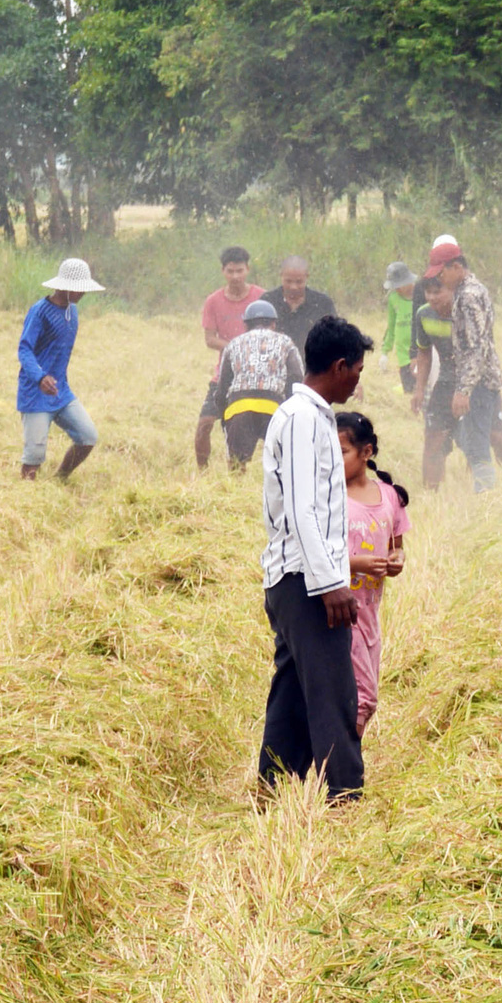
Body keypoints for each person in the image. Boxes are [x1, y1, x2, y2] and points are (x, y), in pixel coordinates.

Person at [260, 315, 373, 803]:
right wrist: (331, 585)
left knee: (291, 695)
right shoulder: (304, 418)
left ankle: (273, 787)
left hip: (290, 578)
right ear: (340, 364)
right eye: (358, 369)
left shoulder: (304, 414)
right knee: (333, 695)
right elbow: (304, 509)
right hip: (306, 581)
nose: (358, 380)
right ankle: (345, 797)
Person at [337, 411, 411, 737]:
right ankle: (345, 769)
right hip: (338, 609)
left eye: (341, 452)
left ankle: (342, 761)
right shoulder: (330, 498)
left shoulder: (389, 497)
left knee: (362, 697)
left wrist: (395, 560)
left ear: (366, 452)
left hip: (370, 615)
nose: (333, 460)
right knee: (364, 698)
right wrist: (359, 564)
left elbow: (397, 545)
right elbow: (318, 555)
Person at [18, 257, 104, 481]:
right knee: (34, 455)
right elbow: (25, 350)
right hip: (36, 393)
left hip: (61, 391)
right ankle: (26, 494)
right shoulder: (40, 312)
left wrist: (56, 381)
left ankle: (60, 479)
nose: (82, 294)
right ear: (63, 287)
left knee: (87, 436)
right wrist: (40, 377)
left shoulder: (72, 312)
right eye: (78, 289)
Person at [429, 240, 502, 492]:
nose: (440, 278)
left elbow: (476, 348)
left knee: (475, 446)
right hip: (481, 381)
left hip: (478, 383)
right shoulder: (472, 289)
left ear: (457, 266)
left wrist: (464, 389)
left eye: (442, 272)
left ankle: (487, 501)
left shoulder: (468, 297)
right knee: (469, 437)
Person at [195, 246, 265, 469]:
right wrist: (237, 347)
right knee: (205, 423)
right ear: (223, 271)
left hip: (256, 377)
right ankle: (202, 473)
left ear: (248, 270)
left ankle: (237, 476)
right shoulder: (213, 301)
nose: (235, 276)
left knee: (238, 429)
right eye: (231, 271)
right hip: (224, 375)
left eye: (240, 271)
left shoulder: (262, 298)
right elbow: (209, 339)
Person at [215, 298, 305, 466]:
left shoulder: (233, 344)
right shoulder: (285, 342)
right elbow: (297, 376)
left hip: (239, 407)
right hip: (273, 409)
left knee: (236, 465)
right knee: (283, 463)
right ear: (273, 324)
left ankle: (235, 491)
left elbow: (222, 386)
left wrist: (224, 414)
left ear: (246, 325)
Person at [410, 273, 459, 489]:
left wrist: (466, 391)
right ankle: (431, 493)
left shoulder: (464, 313)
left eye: (437, 291)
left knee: (485, 439)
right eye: (428, 292)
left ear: (452, 290)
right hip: (445, 381)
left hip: (474, 383)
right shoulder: (423, 314)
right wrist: (419, 390)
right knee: (432, 437)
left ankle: (490, 493)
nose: (432, 297)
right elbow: (424, 354)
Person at [271, 255, 338, 350]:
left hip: (312, 361)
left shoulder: (323, 303)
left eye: (299, 282)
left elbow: (335, 336)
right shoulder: (268, 302)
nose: (293, 286)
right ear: (281, 275)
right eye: (288, 281)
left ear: (307, 276)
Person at [381, 262, 419, 393]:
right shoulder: (393, 298)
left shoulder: (422, 295)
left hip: (421, 354)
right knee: (408, 393)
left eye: (399, 285)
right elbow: (391, 327)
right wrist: (385, 352)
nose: (397, 289)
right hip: (403, 357)